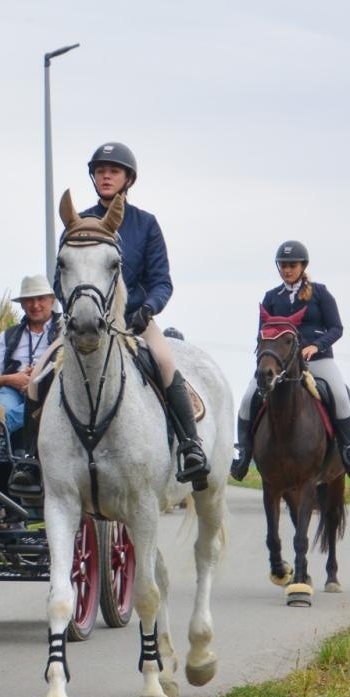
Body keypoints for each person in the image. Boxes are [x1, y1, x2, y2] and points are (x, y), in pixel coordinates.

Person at [75, 141, 209, 484]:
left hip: (134, 322)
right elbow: (64, 274)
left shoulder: (146, 224)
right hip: (88, 325)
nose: (106, 177)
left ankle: (191, 446)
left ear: (128, 179)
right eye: (101, 171)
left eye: (113, 171)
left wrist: (148, 309)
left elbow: (162, 281)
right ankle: (32, 460)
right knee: (41, 374)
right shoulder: (80, 223)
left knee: (165, 363)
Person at [228, 240, 350, 483]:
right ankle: (244, 453)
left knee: (339, 394)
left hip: (317, 360)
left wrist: (317, 345)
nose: (287, 270)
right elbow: (263, 334)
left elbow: (337, 327)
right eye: (283, 265)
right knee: (246, 400)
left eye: (292, 265)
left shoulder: (320, 293)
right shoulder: (272, 297)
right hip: (281, 364)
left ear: (303, 266)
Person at [0, 273, 60, 435]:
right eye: (29, 300)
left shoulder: (66, 330)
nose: (35, 305)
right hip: (11, 390)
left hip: (49, 390)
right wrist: (11, 379)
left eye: (41, 298)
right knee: (2, 406)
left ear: (52, 300)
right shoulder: (8, 335)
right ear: (22, 305)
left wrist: (37, 380)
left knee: (45, 402)